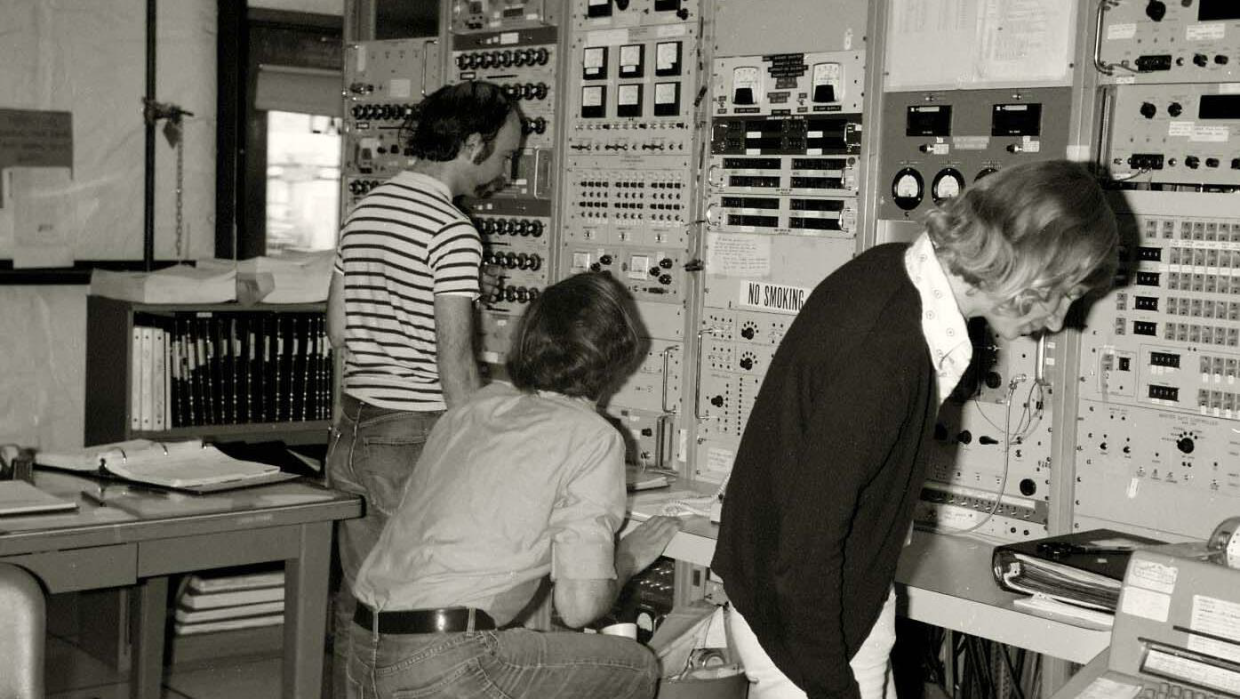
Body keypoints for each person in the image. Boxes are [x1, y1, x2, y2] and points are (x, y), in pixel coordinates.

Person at [711, 160, 1120, 699]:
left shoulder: (891, 274)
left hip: (825, 606)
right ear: (1030, 266)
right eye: (1065, 292)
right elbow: (806, 549)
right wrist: (833, 688)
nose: (1062, 317)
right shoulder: (888, 348)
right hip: (801, 631)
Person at [346, 271, 683, 699]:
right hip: (442, 660)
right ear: (618, 357)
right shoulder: (592, 436)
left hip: (364, 648)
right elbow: (578, 609)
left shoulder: (478, 407)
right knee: (635, 667)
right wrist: (628, 558)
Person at [325, 80, 522, 697]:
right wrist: (481, 454)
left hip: (354, 433)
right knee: (423, 621)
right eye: (506, 154)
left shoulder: (364, 211)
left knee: (364, 607)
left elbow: (338, 330)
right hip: (415, 440)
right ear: (471, 143)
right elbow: (454, 366)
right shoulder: (453, 230)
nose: (507, 169)